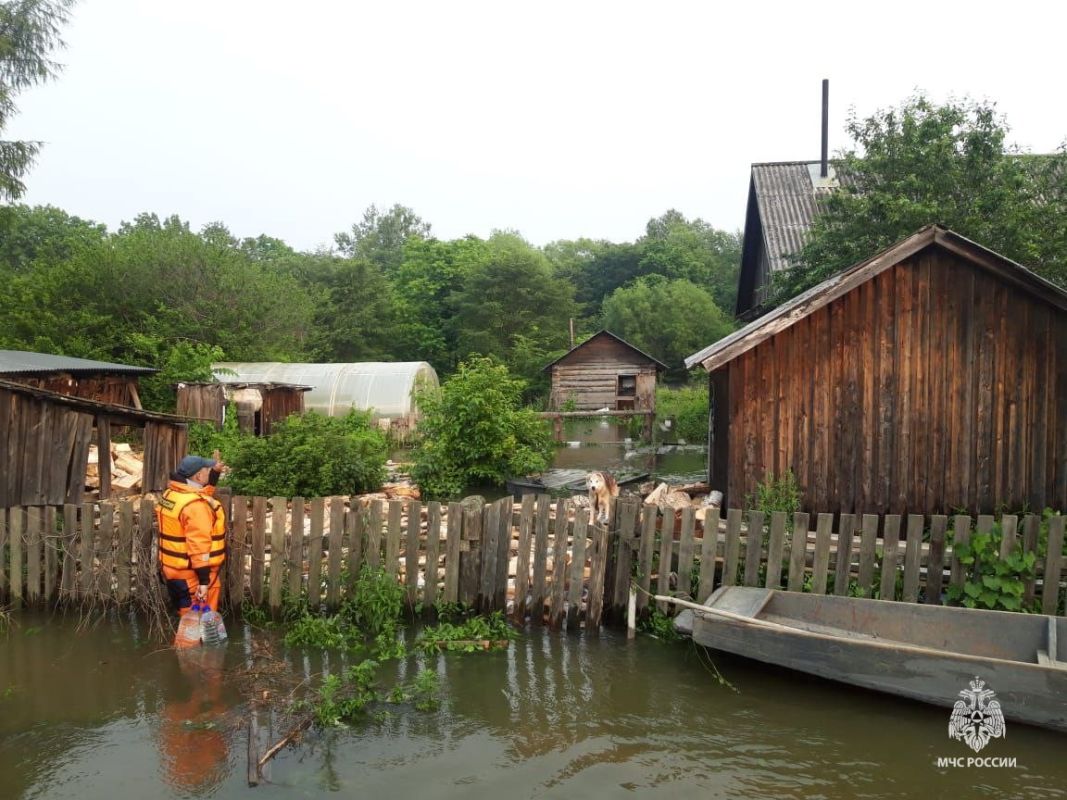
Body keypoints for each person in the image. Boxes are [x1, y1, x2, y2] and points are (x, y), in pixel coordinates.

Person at [156, 453, 228, 616]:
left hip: (174, 571)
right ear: (198, 475)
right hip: (194, 576)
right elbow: (199, 545)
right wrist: (203, 581)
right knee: (196, 624)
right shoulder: (195, 507)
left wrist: (215, 473)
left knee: (187, 617)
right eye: (207, 470)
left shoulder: (171, 494)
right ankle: (192, 643)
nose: (209, 471)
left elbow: (202, 494)